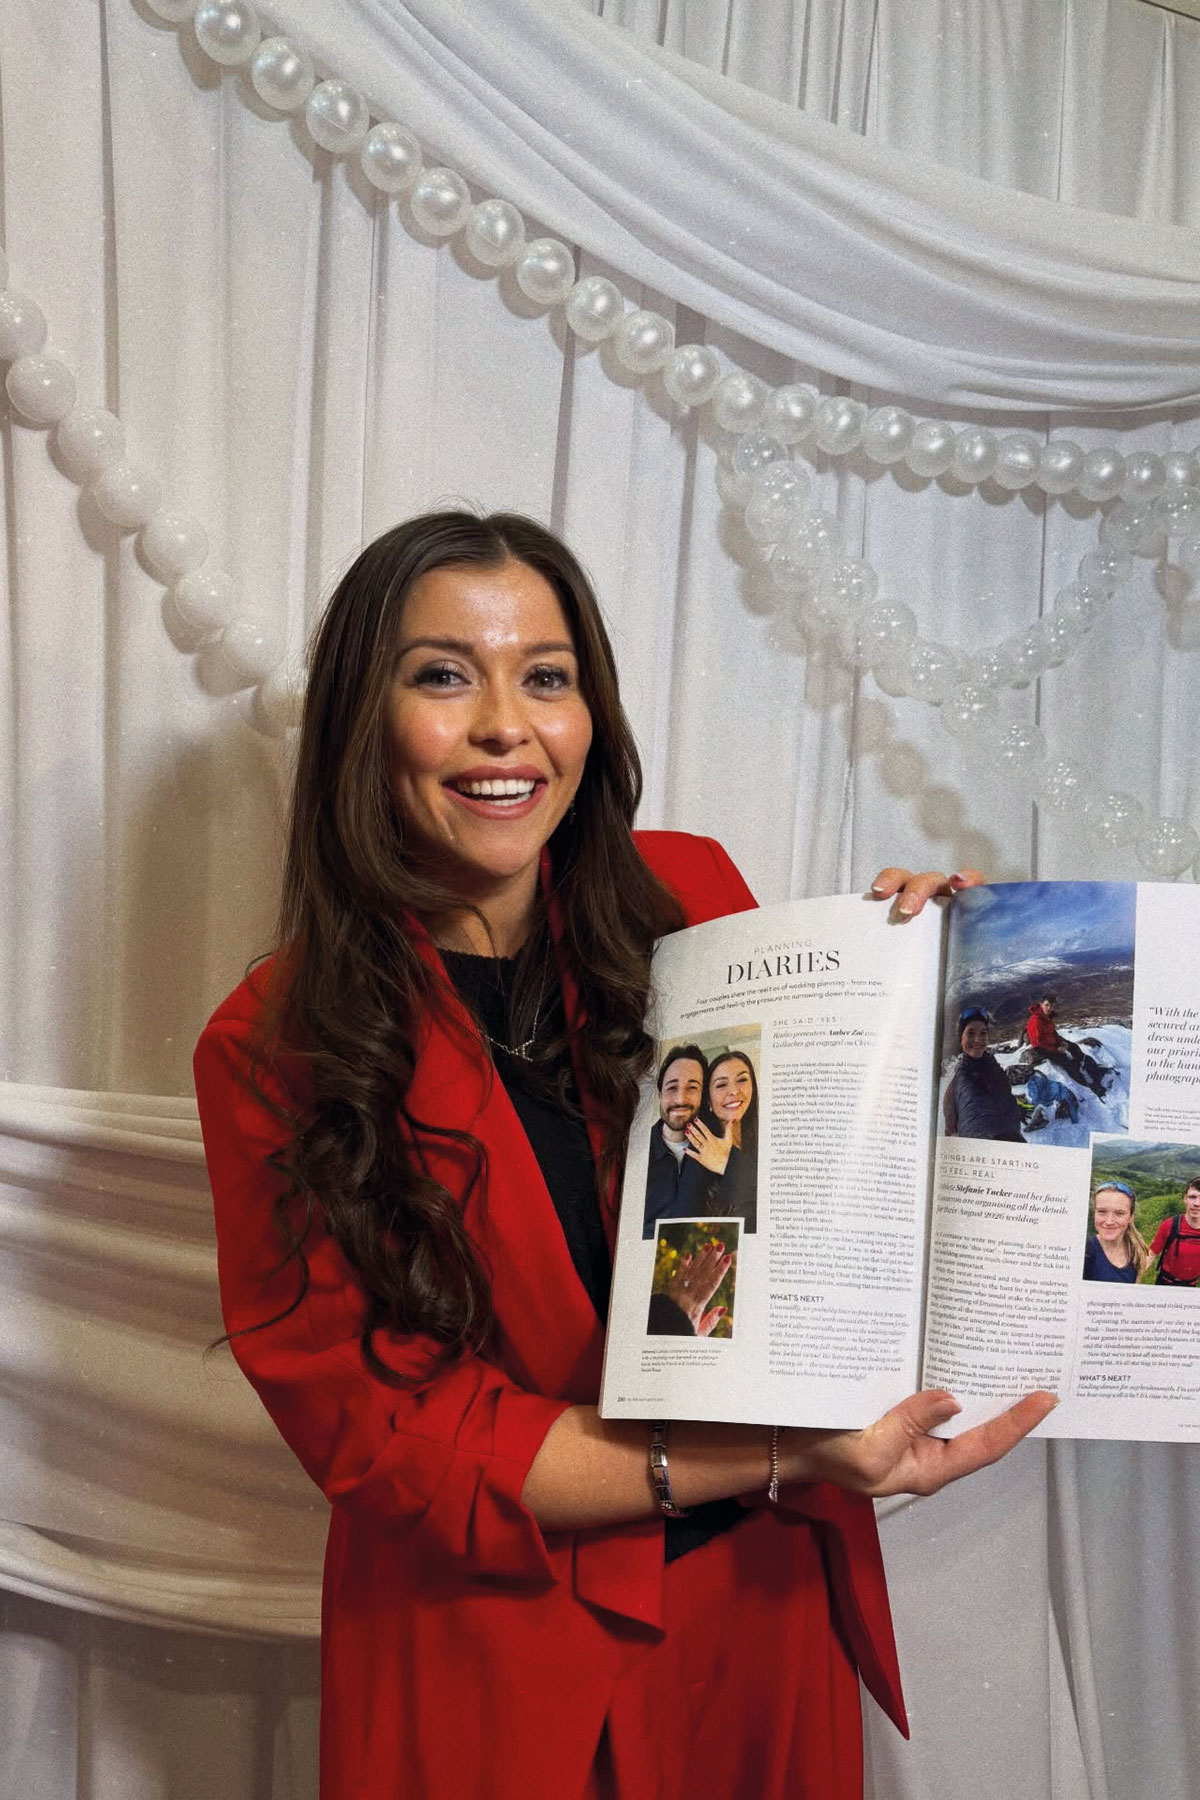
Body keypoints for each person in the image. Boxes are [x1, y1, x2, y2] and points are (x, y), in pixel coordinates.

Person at [193, 512, 1054, 1800]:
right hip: (497, 1654)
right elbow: (398, 1442)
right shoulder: (274, 1044)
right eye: (443, 674)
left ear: (590, 713)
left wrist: (929, 989)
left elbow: (830, 1198)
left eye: (546, 675)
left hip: (758, 1610)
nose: (506, 726)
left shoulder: (694, 902)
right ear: (363, 723)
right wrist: (778, 1459)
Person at [641, 1043, 715, 1237]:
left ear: (704, 1096)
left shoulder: (717, 1149)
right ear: (660, 1095)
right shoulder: (638, 1152)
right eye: (672, 1087)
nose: (680, 1098)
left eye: (692, 1087)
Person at [684, 1049, 760, 1231]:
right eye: (721, 1085)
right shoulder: (698, 1150)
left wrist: (728, 1163)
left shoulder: (766, 1140)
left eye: (742, 1080)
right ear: (708, 1101)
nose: (734, 1091)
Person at [942, 1007, 1025, 1142]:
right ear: (960, 1038)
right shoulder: (962, 1079)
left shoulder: (993, 1066)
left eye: (983, 1033)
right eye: (970, 1033)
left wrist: (1013, 1107)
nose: (977, 1039)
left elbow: (997, 1096)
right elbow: (974, 1109)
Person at [1023, 993, 1110, 1098]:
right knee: (1068, 1063)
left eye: (1052, 1006)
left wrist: (1062, 1042)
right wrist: (1056, 1049)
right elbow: (1038, 1042)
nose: (1049, 1008)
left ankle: (1089, 1069)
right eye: (1047, 1005)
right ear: (1041, 1004)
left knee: (1074, 1047)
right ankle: (1089, 1085)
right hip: (1042, 1048)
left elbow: (1053, 1034)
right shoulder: (1035, 1020)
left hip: (1051, 1043)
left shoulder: (1046, 1017)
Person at [1082, 1182, 1151, 1283]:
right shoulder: (1085, 1253)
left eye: (1119, 1213)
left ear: (1131, 1217)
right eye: (1102, 1212)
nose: (1109, 1221)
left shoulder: (1135, 1251)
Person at [1150, 1179, 1200, 1286]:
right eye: (1192, 1197)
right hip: (1165, 1283)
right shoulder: (1169, 1225)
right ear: (1185, 1198)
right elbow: (1151, 1254)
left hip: (1190, 1287)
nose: (1197, 1203)